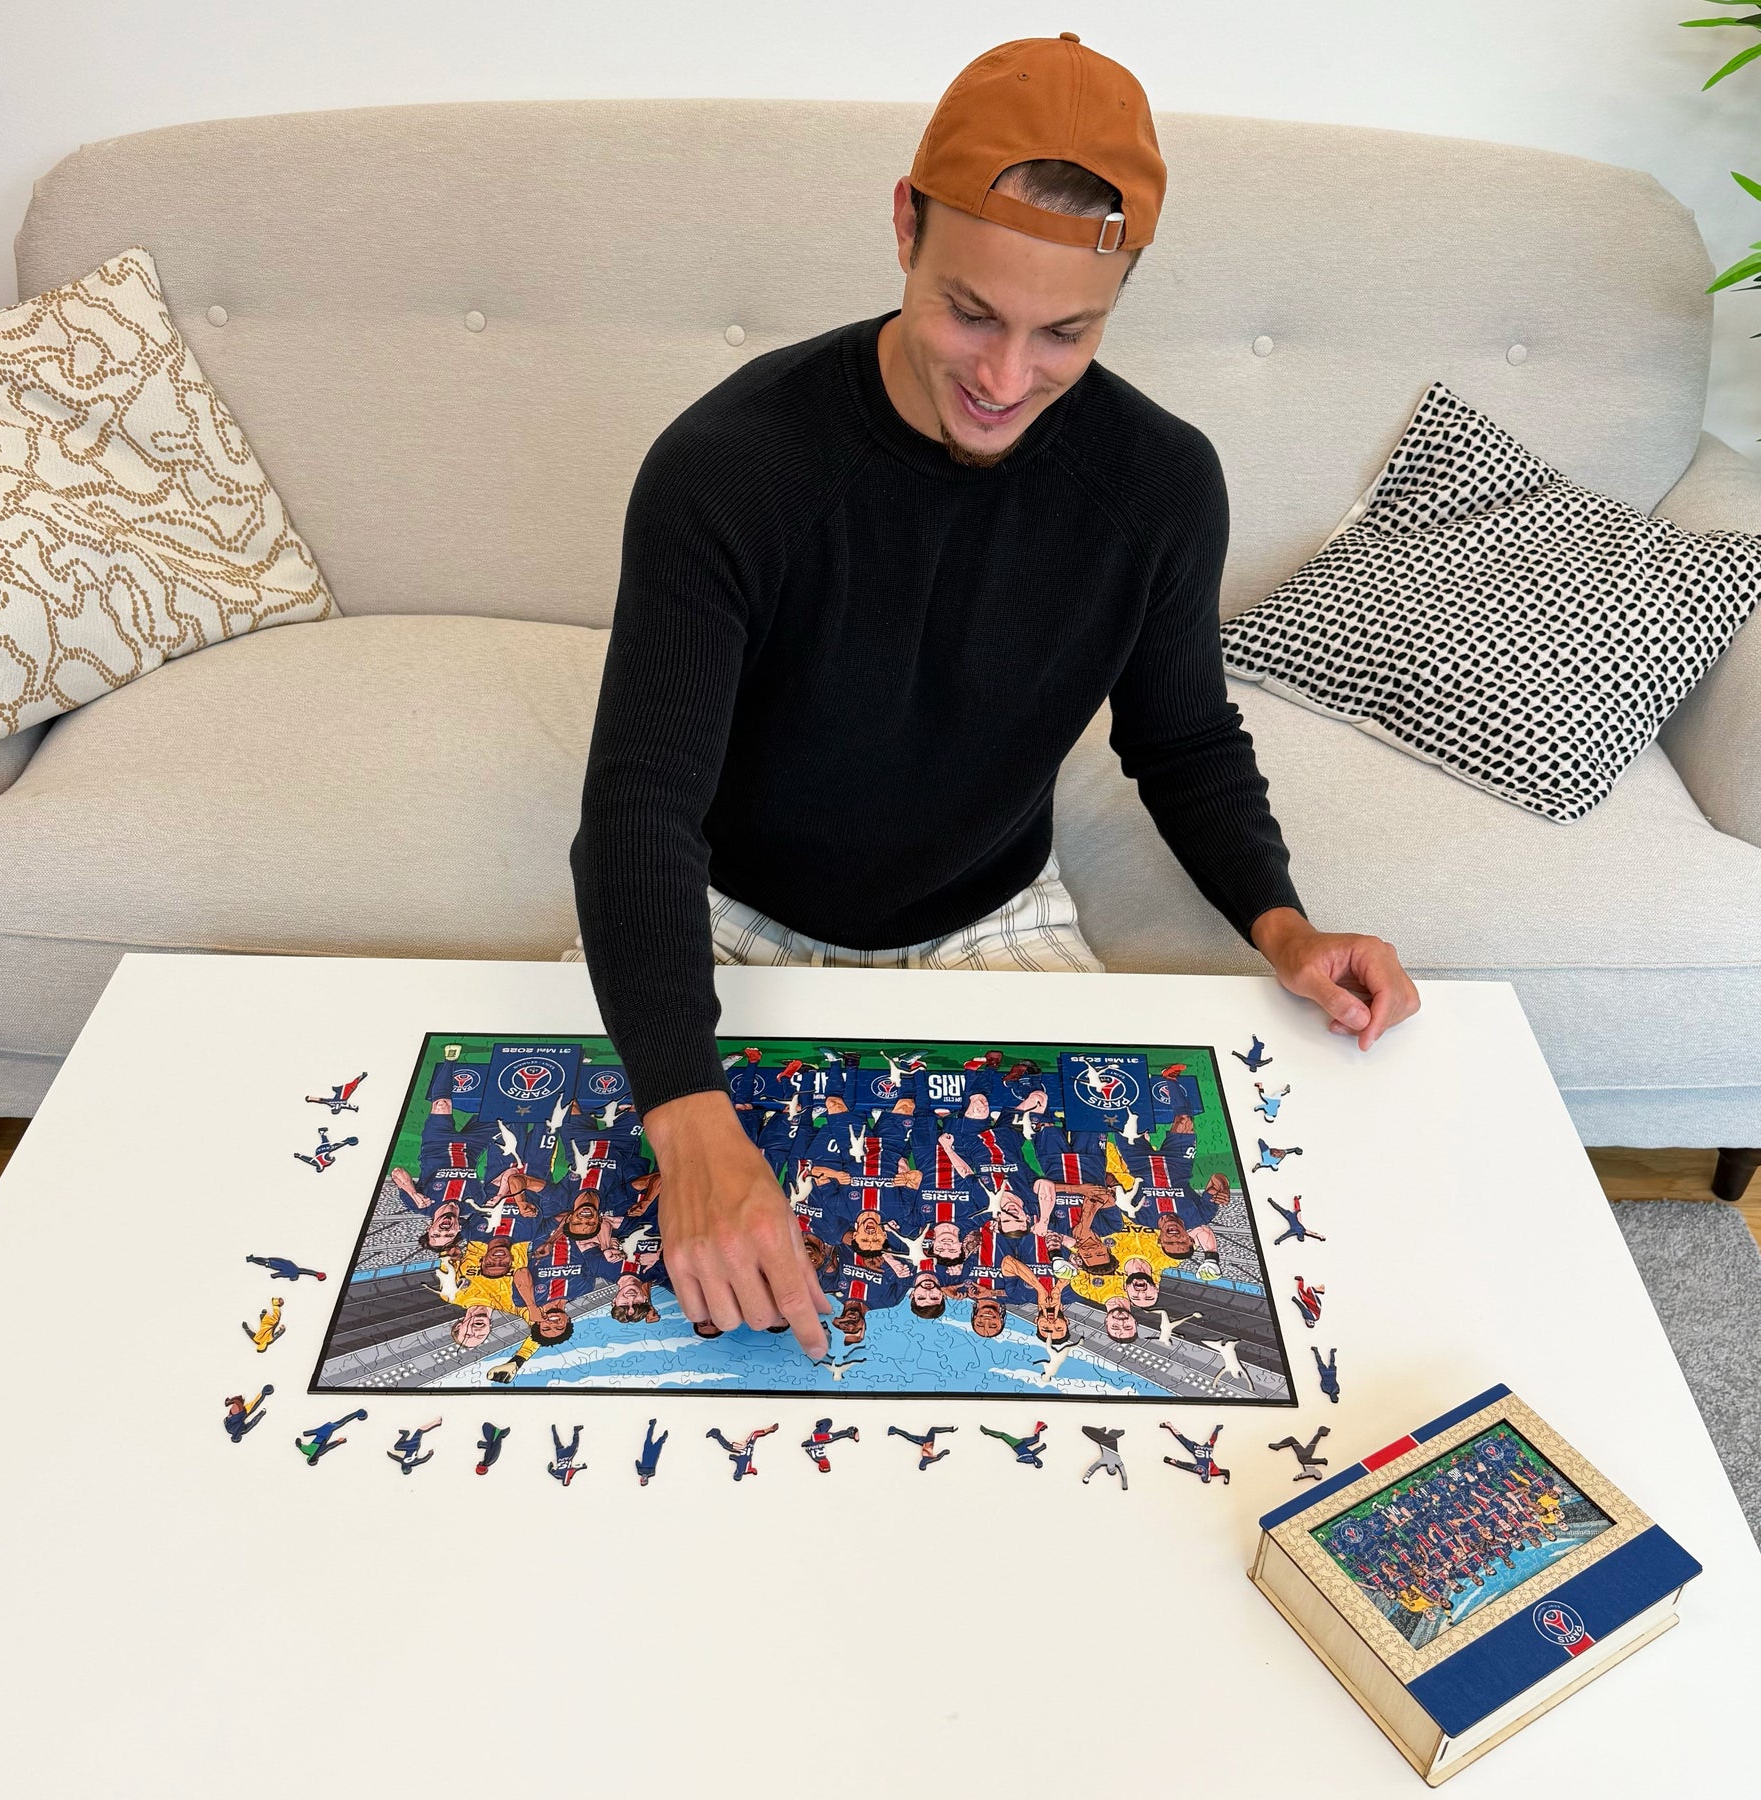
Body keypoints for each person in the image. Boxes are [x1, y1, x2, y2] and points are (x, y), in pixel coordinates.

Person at [566, 32, 1420, 1357]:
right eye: (971, 312)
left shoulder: (1160, 485)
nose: (1005, 380)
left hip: (994, 921)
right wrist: (685, 1115)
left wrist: (1285, 927)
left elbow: (1183, 737)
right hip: (726, 917)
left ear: (1120, 293)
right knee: (618, 1295)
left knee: (1112, 1318)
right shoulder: (727, 465)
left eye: (1064, 332)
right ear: (905, 226)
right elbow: (639, 809)